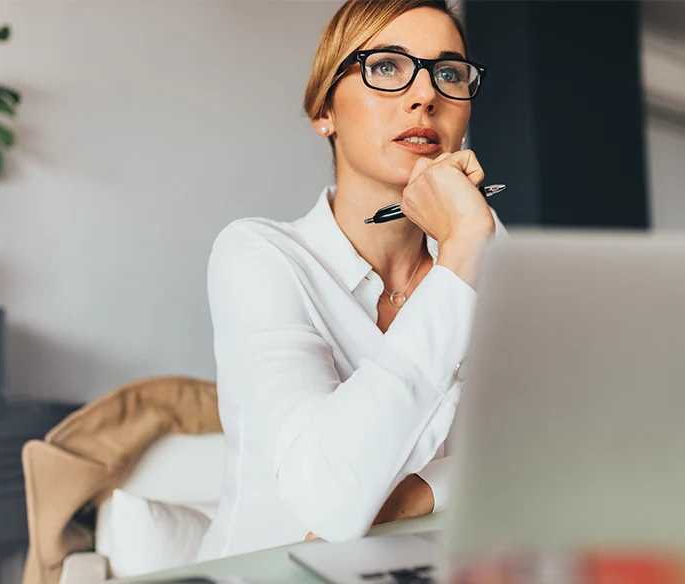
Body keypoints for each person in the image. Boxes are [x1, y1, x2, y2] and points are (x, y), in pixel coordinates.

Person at [197, 0, 502, 561]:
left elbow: (563, 450)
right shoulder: (259, 254)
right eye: (386, 66)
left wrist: (416, 494)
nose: (425, 95)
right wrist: (462, 255)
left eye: (450, 73)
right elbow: (329, 496)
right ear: (324, 113)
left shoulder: (483, 248)